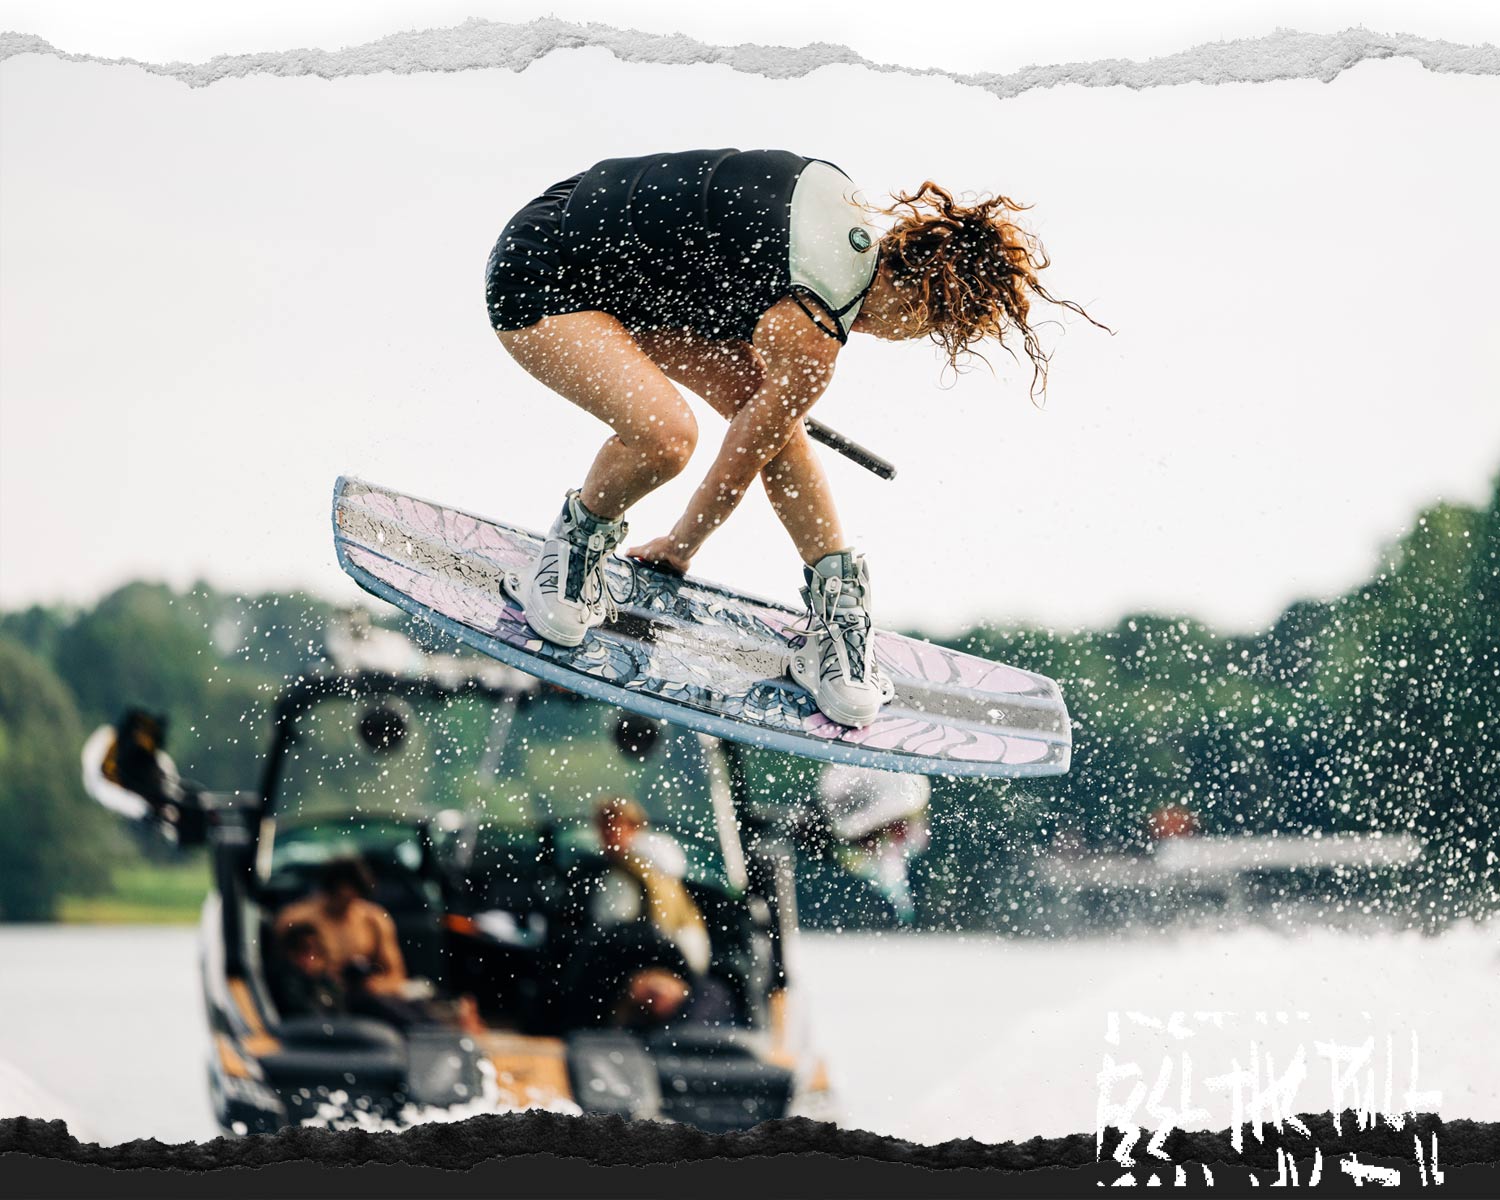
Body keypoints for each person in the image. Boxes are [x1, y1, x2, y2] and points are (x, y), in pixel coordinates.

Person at [486, 148, 1096, 726]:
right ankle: (573, 551)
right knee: (667, 437)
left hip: (642, 284)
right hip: (545, 269)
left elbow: (764, 432)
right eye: (932, 330)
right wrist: (679, 546)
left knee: (772, 417)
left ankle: (839, 610)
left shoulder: (847, 227)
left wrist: (771, 409)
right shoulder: (812, 326)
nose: (907, 340)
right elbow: (736, 467)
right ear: (921, 304)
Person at [274, 857, 410, 998]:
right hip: (317, 997)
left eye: (352, 899)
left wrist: (374, 986)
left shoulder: (373, 920)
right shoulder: (295, 919)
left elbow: (396, 974)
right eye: (341, 897)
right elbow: (283, 973)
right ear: (328, 891)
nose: (346, 906)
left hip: (365, 999)